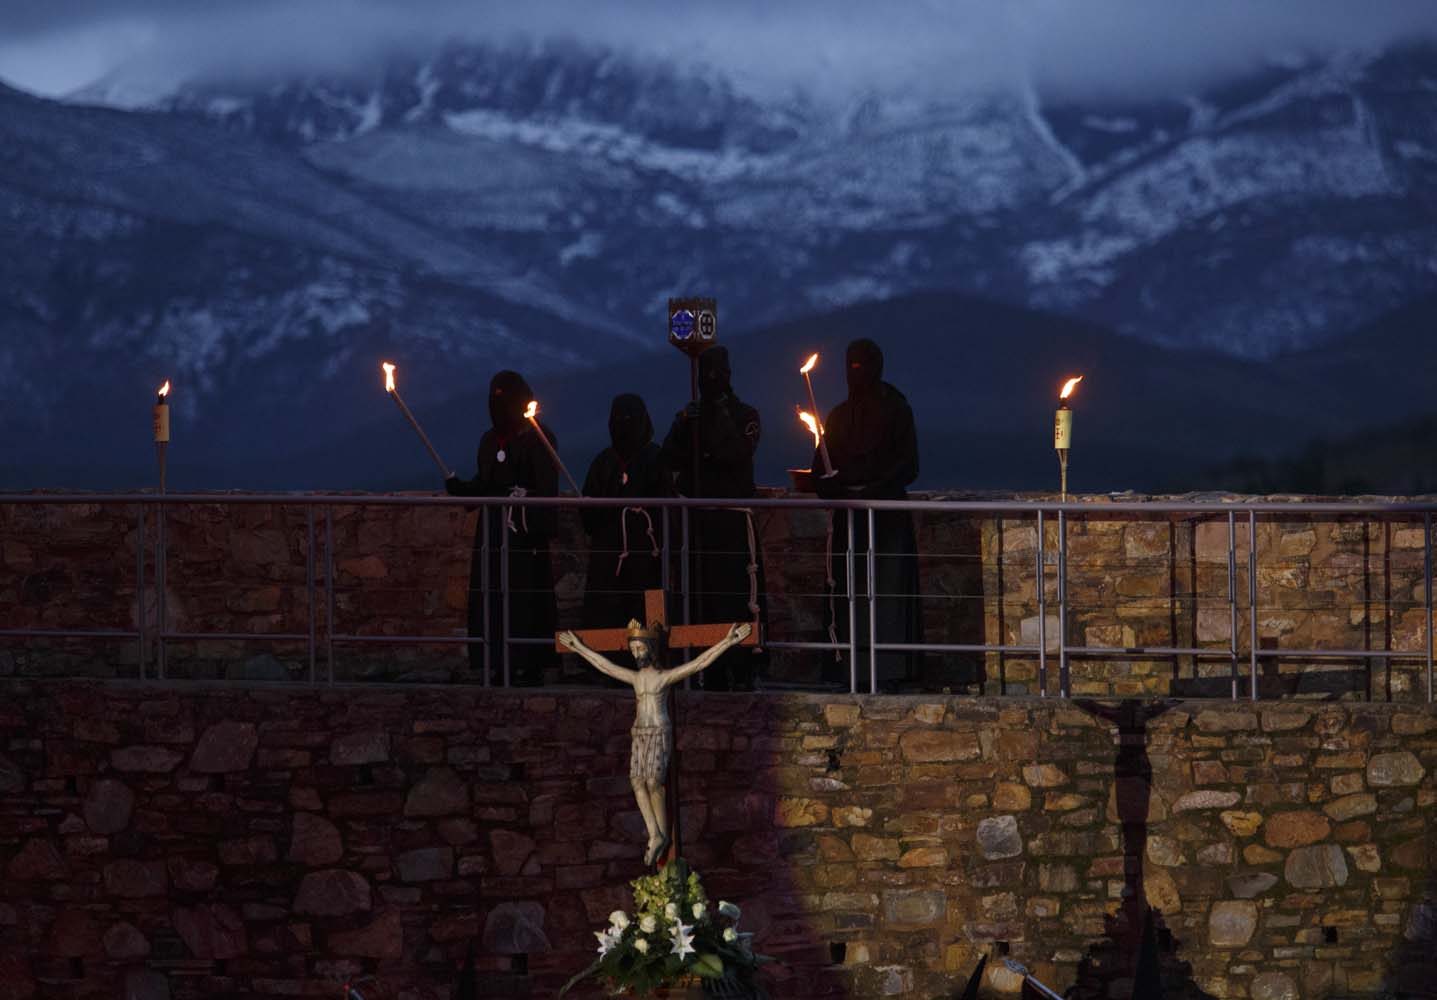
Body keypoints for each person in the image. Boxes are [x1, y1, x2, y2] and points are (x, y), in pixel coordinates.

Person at [558, 619, 752, 866]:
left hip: (658, 732)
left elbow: (699, 663)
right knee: (636, 782)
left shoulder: (663, 677)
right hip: (639, 732)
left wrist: (727, 642)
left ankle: (660, 835)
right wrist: (578, 647)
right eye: (633, 649)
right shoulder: (635, 678)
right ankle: (655, 834)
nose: (636, 654)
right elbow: (605, 666)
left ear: (651, 649)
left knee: (653, 782)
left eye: (640, 648)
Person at [815, 338, 922, 690]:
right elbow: (821, 467)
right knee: (850, 595)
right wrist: (831, 484)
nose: (855, 373)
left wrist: (874, 488)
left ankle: (892, 669)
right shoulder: (839, 416)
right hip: (850, 523)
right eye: (850, 365)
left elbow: (908, 464)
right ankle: (848, 668)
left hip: (886, 519)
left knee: (888, 597)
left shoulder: (896, 410)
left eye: (862, 365)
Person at [659, 346, 766, 690]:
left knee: (737, 598)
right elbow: (669, 458)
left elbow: (735, 453)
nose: (711, 380)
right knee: (701, 597)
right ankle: (707, 668)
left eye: (716, 374)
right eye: (706, 374)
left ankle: (743, 667)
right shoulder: (690, 418)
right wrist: (681, 425)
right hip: (699, 527)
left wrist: (718, 415)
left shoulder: (746, 416)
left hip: (732, 526)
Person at [444, 371, 559, 686]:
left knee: (525, 597)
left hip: (523, 533)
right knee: (493, 595)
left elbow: (546, 489)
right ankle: (496, 661)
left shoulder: (539, 437)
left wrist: (529, 510)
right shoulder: (489, 440)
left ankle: (529, 663)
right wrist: (461, 489)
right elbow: (485, 483)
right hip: (493, 532)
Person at [580, 394, 666, 633]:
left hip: (647, 560)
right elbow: (589, 518)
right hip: (608, 562)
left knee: (649, 623)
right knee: (605, 625)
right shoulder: (604, 462)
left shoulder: (655, 458)